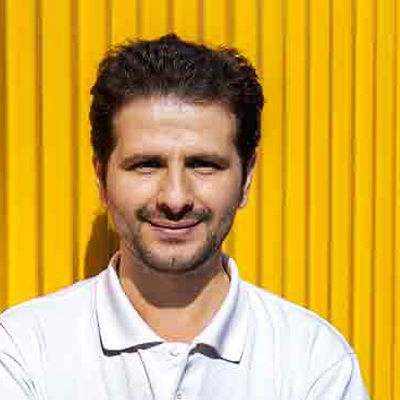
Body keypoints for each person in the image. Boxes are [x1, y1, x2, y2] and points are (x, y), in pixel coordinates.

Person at [0, 34, 369, 399]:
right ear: (101, 177)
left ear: (246, 178)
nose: (175, 198)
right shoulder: (23, 352)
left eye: (204, 164)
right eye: (146, 164)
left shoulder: (314, 362)